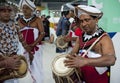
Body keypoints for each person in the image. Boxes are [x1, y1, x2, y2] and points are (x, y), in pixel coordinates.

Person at [64, 5, 116, 83]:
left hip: (98, 80)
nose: (83, 24)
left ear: (96, 20)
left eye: (87, 20)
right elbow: (73, 53)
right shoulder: (81, 36)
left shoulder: (104, 38)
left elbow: (111, 59)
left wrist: (86, 61)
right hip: (83, 79)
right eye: (81, 21)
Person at [18, 0, 45, 83]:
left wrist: (32, 45)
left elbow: (42, 33)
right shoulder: (19, 21)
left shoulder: (37, 20)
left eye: (27, 8)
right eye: (23, 8)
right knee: (24, 67)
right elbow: (18, 35)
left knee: (37, 67)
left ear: (31, 9)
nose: (25, 10)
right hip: (24, 48)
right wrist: (25, 47)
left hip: (36, 48)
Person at [0, 0, 21, 83]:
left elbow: (20, 41)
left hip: (13, 60)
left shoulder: (15, 26)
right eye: (3, 11)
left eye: (9, 11)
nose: (7, 13)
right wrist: (6, 62)